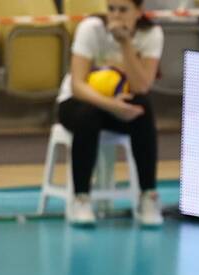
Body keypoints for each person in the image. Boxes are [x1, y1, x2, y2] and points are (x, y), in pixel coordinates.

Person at [57, 0, 163, 227]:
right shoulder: (91, 29)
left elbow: (141, 86)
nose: (115, 15)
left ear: (138, 12)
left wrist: (125, 44)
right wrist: (111, 106)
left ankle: (148, 195)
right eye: (111, 9)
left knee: (144, 108)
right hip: (77, 102)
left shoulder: (151, 34)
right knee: (88, 115)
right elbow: (78, 85)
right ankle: (81, 198)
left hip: (119, 103)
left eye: (123, 10)